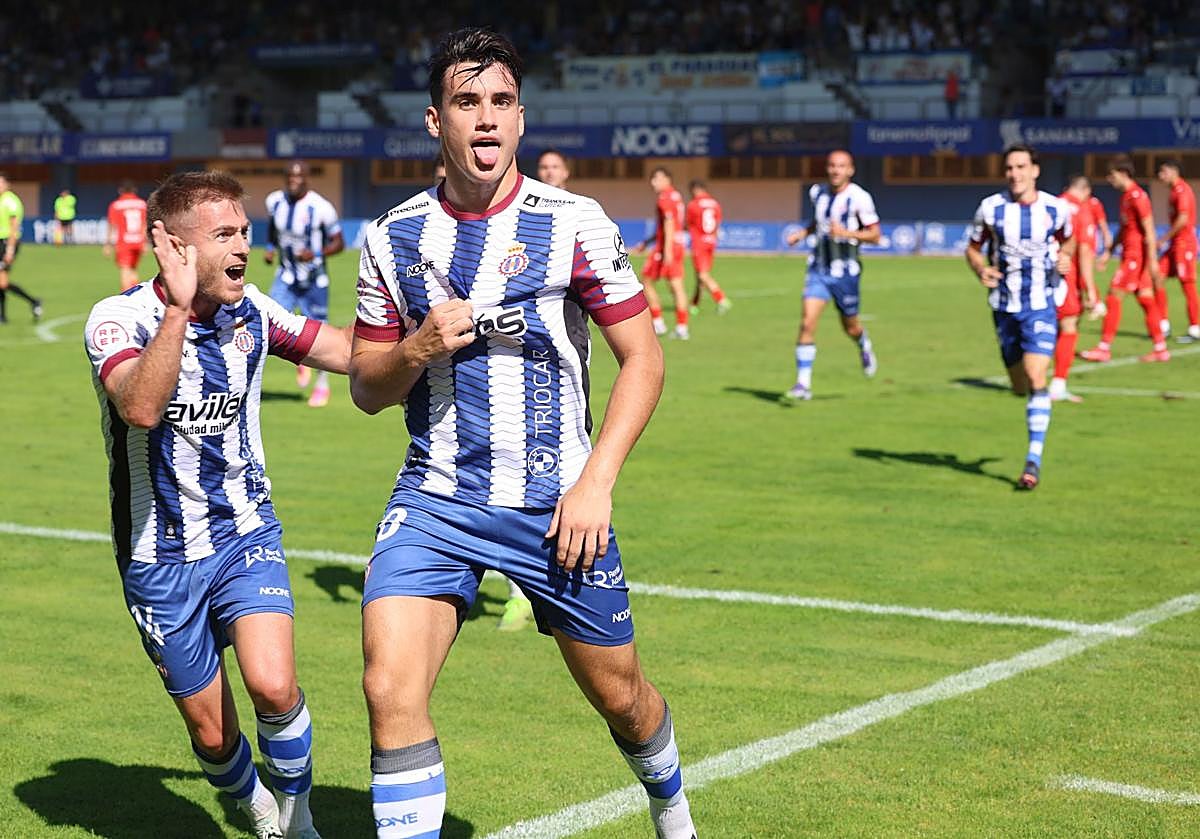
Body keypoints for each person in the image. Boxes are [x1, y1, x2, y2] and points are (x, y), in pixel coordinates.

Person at [349, 28, 697, 839]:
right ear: (435, 120)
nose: (485, 119)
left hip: (559, 506)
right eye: (466, 102)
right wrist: (417, 347)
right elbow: (369, 386)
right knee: (388, 687)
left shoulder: (573, 221)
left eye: (500, 102)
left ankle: (671, 808)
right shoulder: (392, 236)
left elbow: (643, 359)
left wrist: (596, 483)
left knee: (623, 697)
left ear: (521, 118)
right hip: (435, 500)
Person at [83, 171, 352, 839]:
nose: (241, 245)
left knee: (272, 683)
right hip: (157, 556)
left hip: (244, 533)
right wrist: (177, 310)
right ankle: (258, 809)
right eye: (223, 233)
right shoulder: (117, 318)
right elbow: (141, 407)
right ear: (172, 246)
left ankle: (299, 821)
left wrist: (422, 343)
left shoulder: (253, 310)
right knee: (211, 729)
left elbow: (340, 349)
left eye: (243, 230)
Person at [965, 144, 1075, 490]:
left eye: (1022, 167)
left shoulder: (1056, 209)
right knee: (1018, 385)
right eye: (1010, 168)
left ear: (1035, 170)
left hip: (1041, 303)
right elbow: (972, 248)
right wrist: (980, 268)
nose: (1015, 173)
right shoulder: (991, 209)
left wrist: (1065, 260)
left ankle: (1033, 461)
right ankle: (1032, 404)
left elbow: (1068, 242)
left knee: (1035, 374)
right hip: (1003, 307)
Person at [783, 149, 880, 400]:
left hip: (846, 273)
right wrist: (802, 234)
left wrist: (847, 233)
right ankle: (803, 384)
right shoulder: (818, 193)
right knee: (807, 322)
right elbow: (818, 223)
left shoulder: (859, 198)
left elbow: (875, 235)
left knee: (851, 326)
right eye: (832, 165)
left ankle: (862, 342)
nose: (836, 170)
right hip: (818, 269)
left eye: (841, 166)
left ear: (850, 170)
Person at [264, 161, 346, 407]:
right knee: (267, 320)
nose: (294, 180)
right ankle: (299, 360)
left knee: (320, 332)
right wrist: (270, 248)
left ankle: (322, 386)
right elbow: (272, 229)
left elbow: (339, 242)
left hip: (314, 281)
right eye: (290, 175)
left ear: (307, 178)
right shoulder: (275, 201)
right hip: (286, 276)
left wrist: (316, 254)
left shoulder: (320, 208)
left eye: (299, 176)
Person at [1080, 156, 1170, 363]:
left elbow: (1148, 228)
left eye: (1112, 175)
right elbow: (1124, 229)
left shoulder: (1138, 196)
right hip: (1131, 255)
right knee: (1146, 299)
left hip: (1135, 257)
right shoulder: (1126, 197)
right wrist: (1108, 252)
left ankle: (1104, 348)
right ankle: (1160, 348)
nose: (1110, 180)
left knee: (1113, 297)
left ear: (1123, 173)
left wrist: (1152, 261)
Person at [1051, 175, 1102, 402]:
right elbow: (1084, 252)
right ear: (1086, 191)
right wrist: (1091, 290)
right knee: (1069, 325)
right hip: (1065, 277)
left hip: (1042, 275)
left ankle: (1036, 375)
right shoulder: (1081, 210)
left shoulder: (1052, 204)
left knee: (1047, 324)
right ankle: (1058, 384)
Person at [632, 167, 691, 339]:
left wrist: (667, 251)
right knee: (676, 286)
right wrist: (647, 242)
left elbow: (669, 223)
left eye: (656, 179)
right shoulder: (676, 196)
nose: (653, 183)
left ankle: (658, 323)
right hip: (677, 244)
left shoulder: (664, 198)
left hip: (667, 247)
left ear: (667, 179)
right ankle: (682, 328)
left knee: (646, 281)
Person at [1155, 158, 1200, 343]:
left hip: (1184, 244)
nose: (1160, 176)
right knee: (1156, 276)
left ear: (1174, 171)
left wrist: (1163, 239)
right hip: (1175, 244)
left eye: (1163, 172)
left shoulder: (1182, 191)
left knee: (1187, 285)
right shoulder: (1174, 191)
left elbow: (1182, 219)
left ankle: (1195, 328)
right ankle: (1162, 325)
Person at [0, 173, 42, 324]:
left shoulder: (11, 201)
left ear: (7, 184)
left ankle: (33, 301)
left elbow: (14, 227)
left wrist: (10, 249)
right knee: (1, 282)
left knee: (2, 282)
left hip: (7, 244)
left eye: (1, 183)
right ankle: (3, 316)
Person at [685, 180, 730, 314]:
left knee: (702, 275)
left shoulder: (693, 205)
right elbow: (717, 223)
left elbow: (687, 224)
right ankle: (694, 304)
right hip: (711, 242)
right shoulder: (715, 204)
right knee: (700, 275)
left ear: (694, 189)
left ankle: (721, 299)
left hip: (699, 243)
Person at [104, 180, 148, 291]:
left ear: (120, 190)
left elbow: (112, 225)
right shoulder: (142, 204)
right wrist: (145, 242)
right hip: (138, 241)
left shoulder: (116, 205)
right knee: (133, 269)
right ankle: (136, 294)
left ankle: (126, 296)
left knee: (125, 269)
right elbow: (144, 225)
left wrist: (108, 244)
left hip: (124, 242)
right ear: (134, 190)